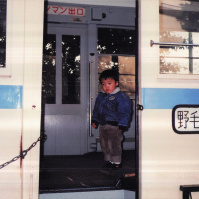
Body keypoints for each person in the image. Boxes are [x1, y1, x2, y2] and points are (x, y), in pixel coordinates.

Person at [91, 69, 132, 168]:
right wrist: (95, 120)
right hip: (103, 125)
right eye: (103, 84)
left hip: (115, 126)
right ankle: (109, 161)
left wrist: (123, 124)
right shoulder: (100, 96)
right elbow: (96, 109)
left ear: (116, 83)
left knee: (114, 144)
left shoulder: (120, 97)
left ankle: (116, 162)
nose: (106, 86)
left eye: (109, 83)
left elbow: (125, 111)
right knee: (104, 144)